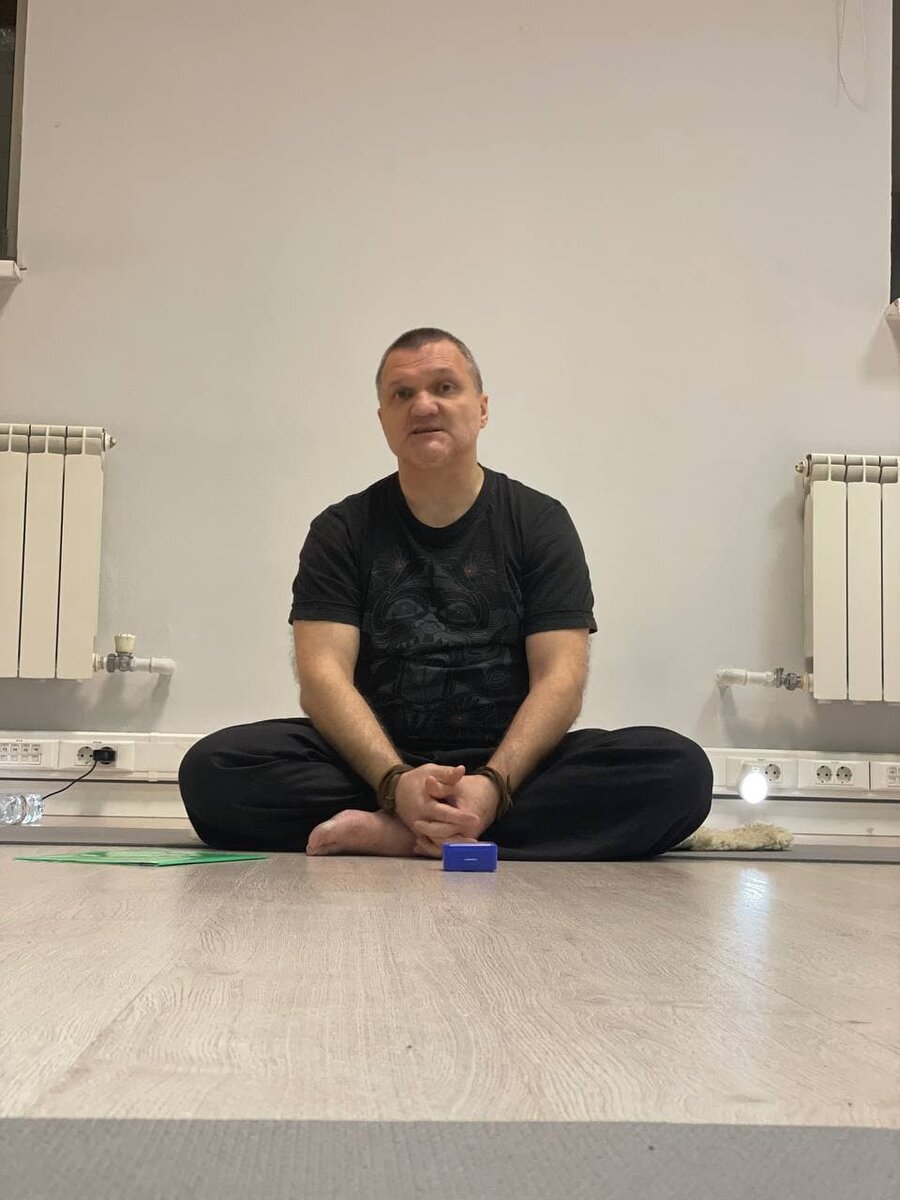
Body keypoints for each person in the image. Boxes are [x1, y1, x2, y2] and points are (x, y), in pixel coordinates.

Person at [179, 328, 712, 860]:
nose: (423, 405)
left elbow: (561, 679)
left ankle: (403, 833)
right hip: (374, 760)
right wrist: (395, 782)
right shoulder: (341, 529)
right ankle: (455, 829)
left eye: (445, 387)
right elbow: (323, 679)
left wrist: (492, 786)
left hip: (510, 762)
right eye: (402, 394)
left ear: (482, 409)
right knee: (213, 770)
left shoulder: (540, 522)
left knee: (679, 771)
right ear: (384, 420)